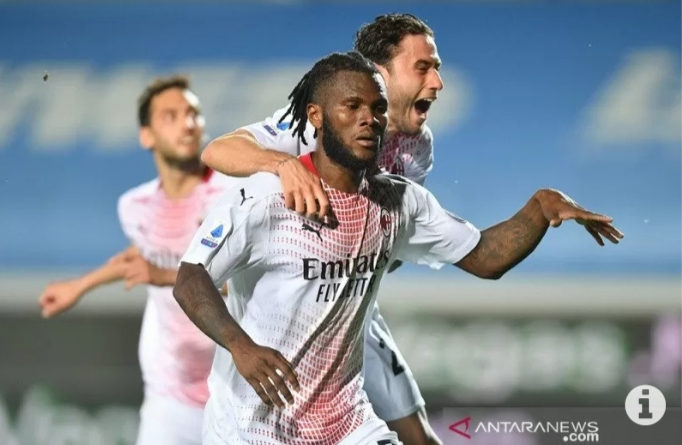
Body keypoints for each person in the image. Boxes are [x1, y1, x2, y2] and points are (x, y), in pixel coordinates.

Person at [173, 51, 622, 445]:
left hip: (345, 424)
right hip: (253, 427)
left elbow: (485, 257)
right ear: (316, 116)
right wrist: (240, 345)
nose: (369, 119)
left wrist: (540, 207)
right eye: (352, 106)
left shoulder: (398, 201)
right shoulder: (265, 198)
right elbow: (190, 277)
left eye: (378, 109)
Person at [200, 14, 446, 445]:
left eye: (436, 68)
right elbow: (217, 150)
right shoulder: (312, 126)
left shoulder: (415, 146)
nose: (437, 83)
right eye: (422, 68)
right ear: (380, 74)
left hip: (346, 304)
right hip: (275, 301)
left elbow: (392, 246)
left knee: (418, 436)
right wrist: (283, 165)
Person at [38, 75, 237, 445]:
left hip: (234, 391)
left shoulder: (232, 196)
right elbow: (139, 257)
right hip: (169, 392)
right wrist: (80, 286)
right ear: (147, 136)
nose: (187, 123)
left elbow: (242, 282)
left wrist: (162, 275)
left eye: (193, 113)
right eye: (170, 116)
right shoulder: (135, 206)